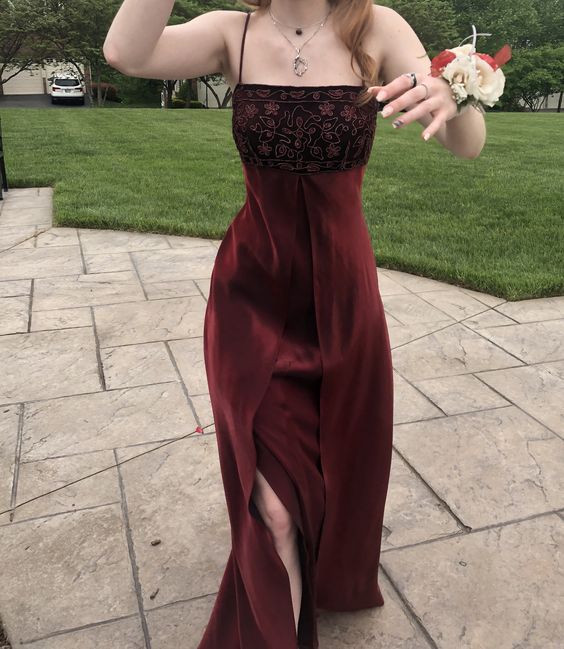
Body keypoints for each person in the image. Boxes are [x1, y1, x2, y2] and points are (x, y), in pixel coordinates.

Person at [103, 2, 486, 647]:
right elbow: (126, 54)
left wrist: (455, 96)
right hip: (251, 298)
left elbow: (468, 145)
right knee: (274, 504)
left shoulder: (378, 27)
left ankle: (326, 569)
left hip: (343, 299)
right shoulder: (231, 31)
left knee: (340, 459)